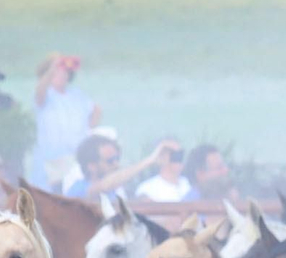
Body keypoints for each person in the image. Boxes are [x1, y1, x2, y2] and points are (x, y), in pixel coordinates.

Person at [62, 129, 178, 207]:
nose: (116, 164)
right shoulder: (78, 189)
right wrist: (150, 160)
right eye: (110, 161)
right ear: (92, 166)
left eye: (117, 158)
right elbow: (104, 186)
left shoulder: (117, 190)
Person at [31, 52, 98, 186]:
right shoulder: (45, 94)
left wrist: (89, 130)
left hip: (75, 156)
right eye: (57, 72)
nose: (62, 75)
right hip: (51, 158)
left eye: (65, 72)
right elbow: (39, 92)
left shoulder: (76, 94)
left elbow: (96, 110)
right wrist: (53, 67)